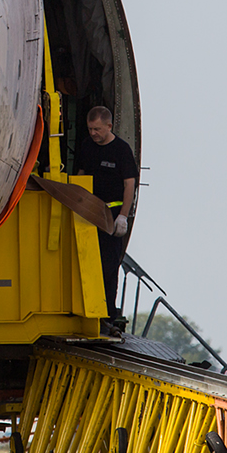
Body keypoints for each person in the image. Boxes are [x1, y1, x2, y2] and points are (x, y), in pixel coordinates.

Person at [72, 106, 139, 323]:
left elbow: (130, 185)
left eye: (97, 129)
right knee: (84, 261)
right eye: (91, 129)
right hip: (89, 211)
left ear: (109, 126)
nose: (93, 133)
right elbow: (81, 174)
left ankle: (107, 315)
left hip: (111, 214)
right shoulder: (87, 146)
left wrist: (123, 216)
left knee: (109, 266)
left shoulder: (121, 150)